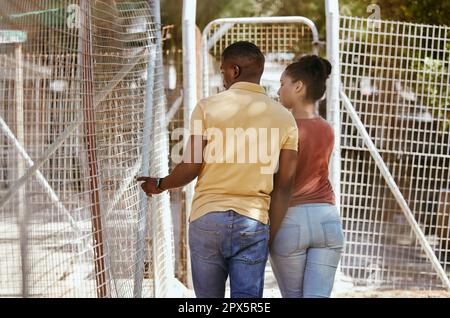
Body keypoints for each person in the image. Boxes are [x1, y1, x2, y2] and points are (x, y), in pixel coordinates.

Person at [137, 41, 298, 298]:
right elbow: (285, 185)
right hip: (253, 221)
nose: (222, 78)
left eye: (222, 71)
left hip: (207, 219)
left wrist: (159, 185)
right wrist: (269, 232)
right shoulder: (284, 117)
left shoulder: (206, 107)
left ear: (234, 70)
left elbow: (191, 167)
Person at [269, 55, 345, 298]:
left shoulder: (283, 128)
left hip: (290, 221)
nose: (279, 89)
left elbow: (281, 184)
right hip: (328, 221)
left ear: (298, 86)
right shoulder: (327, 128)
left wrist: (268, 236)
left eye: (283, 83)